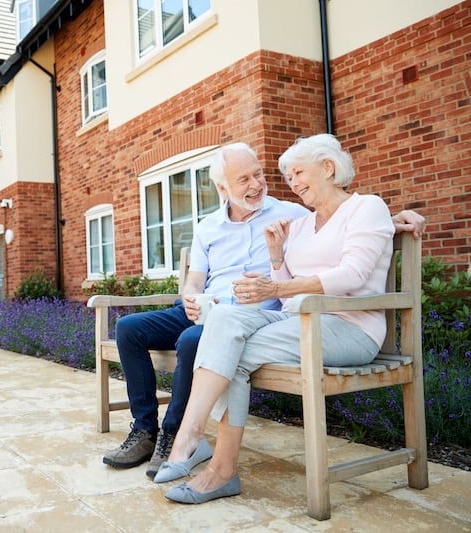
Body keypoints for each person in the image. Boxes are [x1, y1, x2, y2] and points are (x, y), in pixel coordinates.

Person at [102, 142, 425, 480]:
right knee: (129, 328)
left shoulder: (291, 213)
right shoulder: (211, 226)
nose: (256, 185)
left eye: (259, 175)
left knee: (194, 341)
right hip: (210, 309)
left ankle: (177, 435)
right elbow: (195, 279)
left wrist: (392, 220)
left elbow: (343, 221)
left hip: (260, 315)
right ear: (223, 188)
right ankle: (145, 430)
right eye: (244, 180)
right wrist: (191, 297)